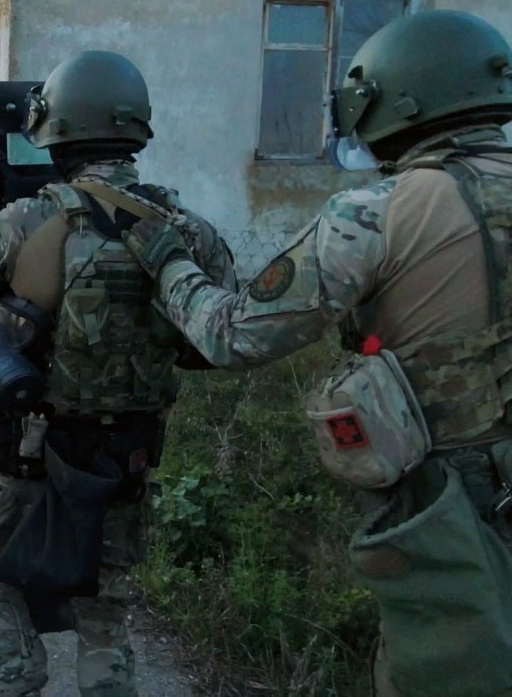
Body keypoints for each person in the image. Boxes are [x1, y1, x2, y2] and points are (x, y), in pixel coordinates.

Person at [120, 11, 512, 696]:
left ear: (395, 100)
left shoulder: (375, 214)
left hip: (452, 508)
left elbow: (234, 334)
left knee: (443, 670)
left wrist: (169, 265)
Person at [0, 50, 235, 697]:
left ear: (55, 130)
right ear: (136, 129)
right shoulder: (187, 230)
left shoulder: (29, 219)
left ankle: (18, 673)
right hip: (123, 457)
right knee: (105, 602)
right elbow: (210, 333)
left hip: (26, 453)